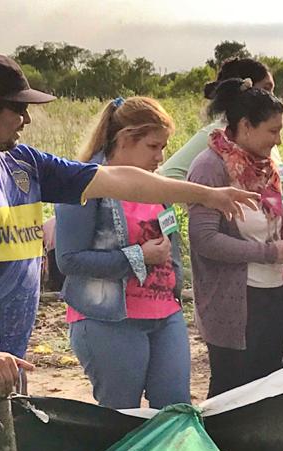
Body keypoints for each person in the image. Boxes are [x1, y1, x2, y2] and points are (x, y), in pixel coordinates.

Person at [0, 52, 257, 451]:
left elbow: (120, 179)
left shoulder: (21, 162)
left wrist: (207, 195)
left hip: (3, 357)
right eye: (18, 109)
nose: (26, 119)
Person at [55, 97, 191, 410]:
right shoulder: (85, 184)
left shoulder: (156, 185)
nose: (160, 157)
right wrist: (138, 257)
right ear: (126, 139)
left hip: (165, 314)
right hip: (108, 319)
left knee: (176, 411)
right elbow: (68, 259)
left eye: (163, 147)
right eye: (153, 146)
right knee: (122, 416)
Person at [187, 79, 283, 397]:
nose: (279, 140)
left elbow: (271, 221)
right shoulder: (210, 168)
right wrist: (269, 252)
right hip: (235, 303)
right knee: (233, 393)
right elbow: (204, 239)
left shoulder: (266, 166)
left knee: (269, 388)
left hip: (272, 292)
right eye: (272, 130)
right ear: (245, 126)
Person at [159, 56, 277, 182]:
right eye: (266, 89)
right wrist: (208, 192)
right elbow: (168, 174)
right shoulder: (219, 135)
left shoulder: (263, 135)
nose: (273, 99)